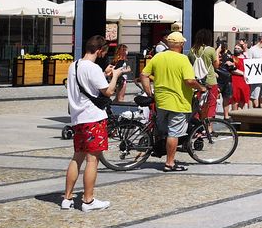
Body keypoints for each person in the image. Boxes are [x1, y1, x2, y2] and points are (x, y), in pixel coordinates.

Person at [62, 35, 127, 211]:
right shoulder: (93, 68)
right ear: (99, 50)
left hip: (78, 118)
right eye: (103, 52)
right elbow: (108, 91)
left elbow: (85, 84)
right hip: (93, 118)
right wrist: (115, 75)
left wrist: (104, 74)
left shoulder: (74, 65)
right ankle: (88, 200)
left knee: (77, 157)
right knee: (92, 160)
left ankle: (67, 198)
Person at [139, 32, 206, 172]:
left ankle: (158, 149)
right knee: (174, 133)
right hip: (178, 101)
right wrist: (201, 87)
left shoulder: (158, 57)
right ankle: (170, 163)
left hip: (161, 100)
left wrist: (148, 92)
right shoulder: (182, 59)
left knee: (163, 129)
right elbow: (189, 81)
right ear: (181, 45)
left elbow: (143, 74)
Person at [189, 30, 220, 119]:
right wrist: (217, 52)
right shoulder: (210, 50)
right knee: (210, 104)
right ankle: (208, 128)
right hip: (210, 81)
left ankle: (197, 128)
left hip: (197, 82)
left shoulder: (192, 50)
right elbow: (216, 65)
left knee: (197, 104)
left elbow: (189, 64)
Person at [244, 37, 262, 108]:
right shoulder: (252, 50)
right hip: (255, 78)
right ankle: (250, 111)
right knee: (253, 96)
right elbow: (248, 63)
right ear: (261, 40)